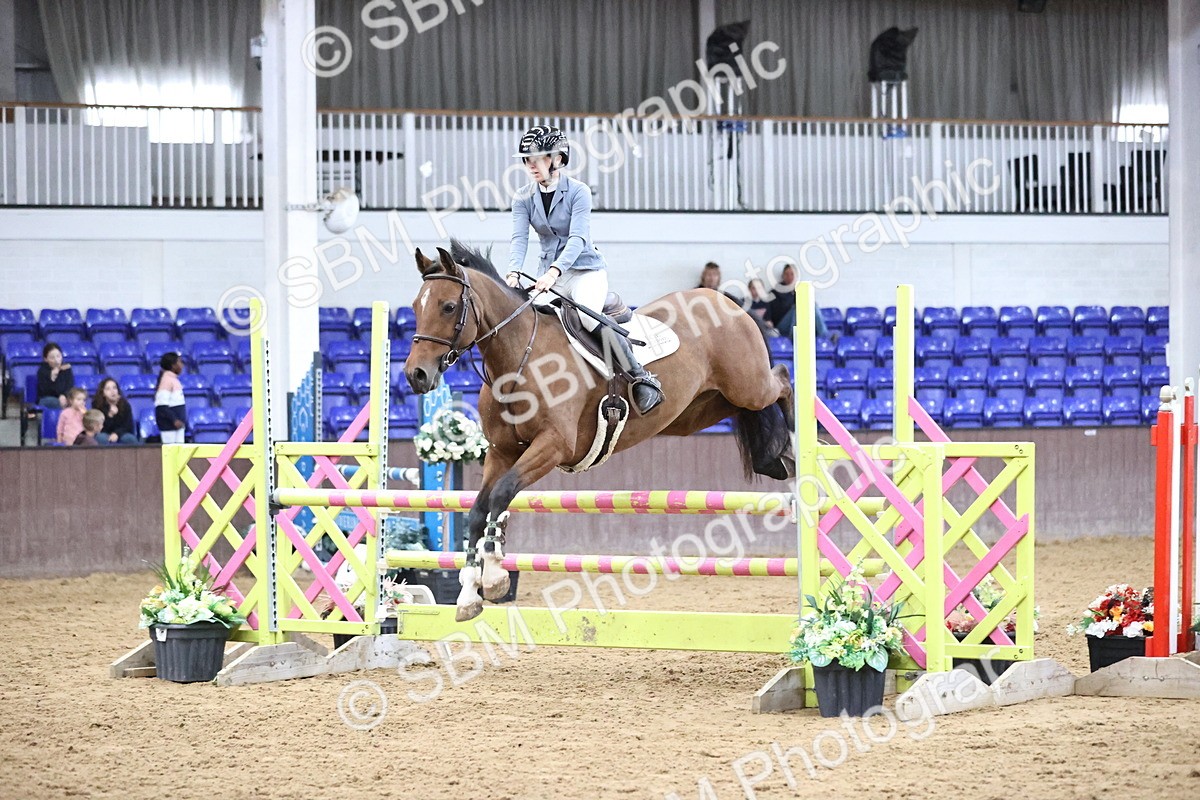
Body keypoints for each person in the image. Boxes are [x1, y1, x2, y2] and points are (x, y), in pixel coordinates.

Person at [506, 124, 663, 414]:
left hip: (584, 272)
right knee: (529, 321)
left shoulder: (579, 192)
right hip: (548, 275)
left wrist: (554, 272)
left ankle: (641, 378)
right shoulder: (523, 197)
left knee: (588, 319)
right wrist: (513, 272)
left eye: (538, 158)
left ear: (558, 159)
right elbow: (519, 239)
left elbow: (577, 239)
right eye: (527, 160)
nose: (531, 165)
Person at [765, 263, 830, 339]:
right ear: (783, 276)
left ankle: (824, 336)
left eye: (792, 274)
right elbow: (767, 312)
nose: (789, 277)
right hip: (781, 325)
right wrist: (768, 320)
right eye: (787, 274)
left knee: (812, 305)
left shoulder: (799, 291)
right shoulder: (774, 292)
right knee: (796, 308)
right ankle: (794, 335)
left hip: (801, 323)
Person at [92, 377, 138, 444]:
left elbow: (128, 426)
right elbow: (98, 428)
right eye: (108, 389)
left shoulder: (125, 404)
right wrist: (110, 415)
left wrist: (116, 434)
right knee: (101, 438)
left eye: (114, 388)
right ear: (103, 393)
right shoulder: (97, 405)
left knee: (129, 438)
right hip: (104, 433)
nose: (112, 391)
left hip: (122, 433)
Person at [154, 352, 187, 444]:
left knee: (179, 454)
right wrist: (174, 420)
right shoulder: (167, 381)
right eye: (179, 362)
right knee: (170, 453)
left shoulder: (174, 380)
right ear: (173, 365)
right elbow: (161, 406)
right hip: (169, 426)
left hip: (178, 426)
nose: (182, 365)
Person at [36, 342, 73, 409]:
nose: (56, 360)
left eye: (58, 356)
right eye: (52, 358)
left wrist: (64, 395)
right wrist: (52, 378)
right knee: (56, 402)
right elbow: (45, 391)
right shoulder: (42, 371)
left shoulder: (66, 368)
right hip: (47, 399)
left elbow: (70, 386)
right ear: (45, 359)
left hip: (64, 397)